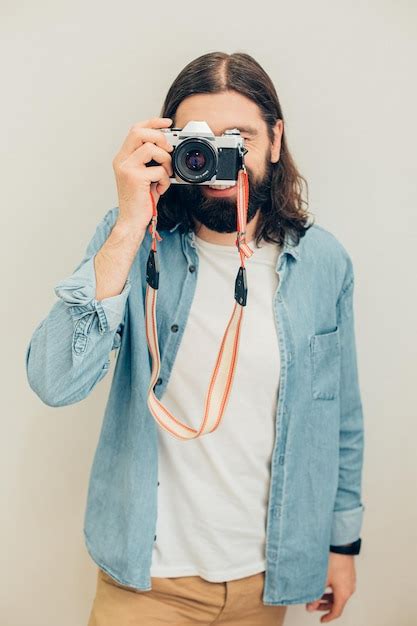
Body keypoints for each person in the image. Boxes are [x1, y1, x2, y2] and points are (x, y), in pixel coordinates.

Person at [25, 51, 365, 625]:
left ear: (276, 140)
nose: (221, 162)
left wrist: (342, 546)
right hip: (146, 579)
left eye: (242, 139)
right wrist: (131, 220)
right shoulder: (131, 240)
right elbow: (54, 381)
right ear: (171, 145)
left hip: (266, 578)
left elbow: (342, 418)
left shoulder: (323, 261)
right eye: (202, 142)